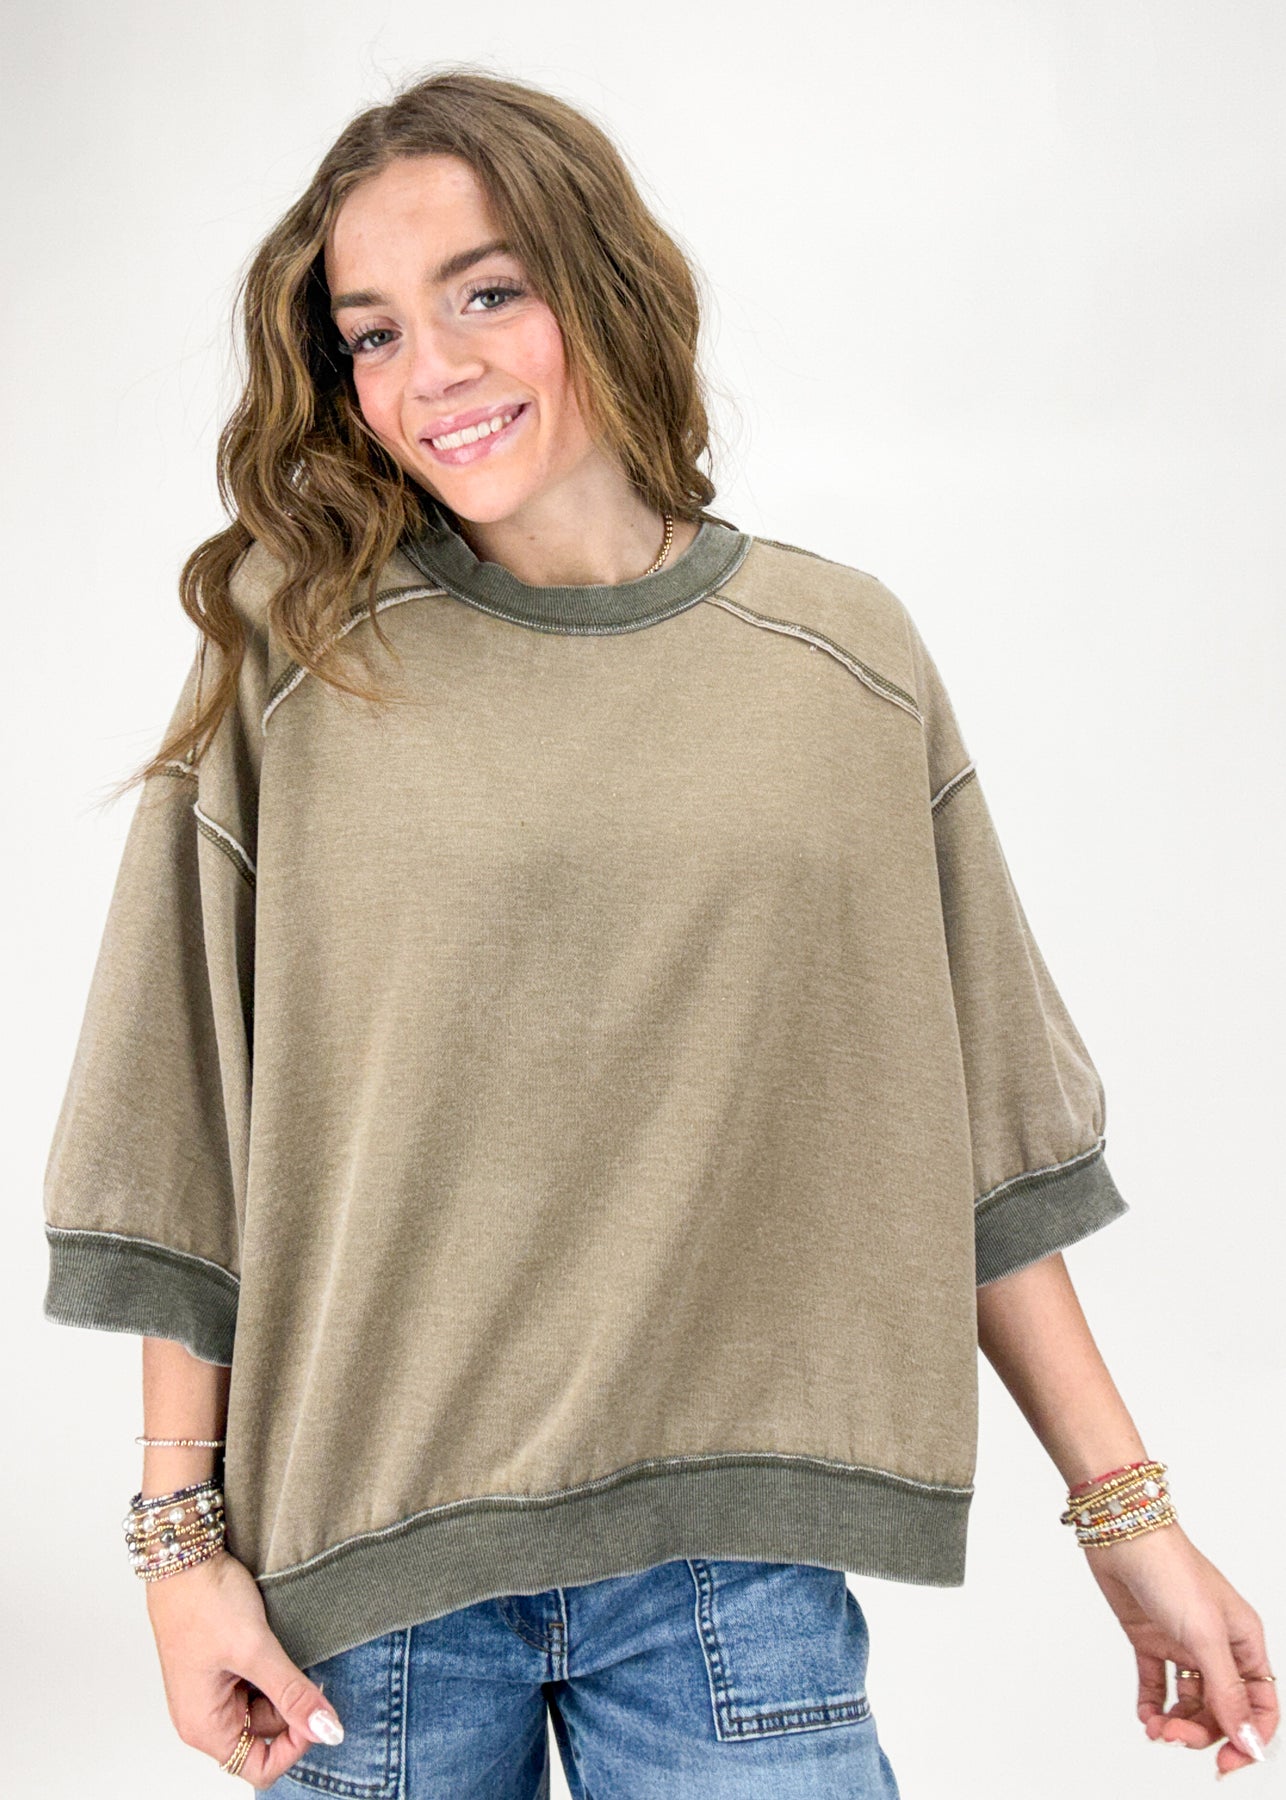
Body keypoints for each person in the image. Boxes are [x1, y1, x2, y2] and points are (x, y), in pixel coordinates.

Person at [41, 66, 1276, 1797]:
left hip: (730, 1575)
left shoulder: (839, 661)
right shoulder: (294, 645)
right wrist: (177, 1547)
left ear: (600, 282)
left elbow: (970, 1141)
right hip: (365, 1590)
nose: (430, 369)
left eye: (485, 294)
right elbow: (183, 1126)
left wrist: (1127, 1520)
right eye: (372, 332)